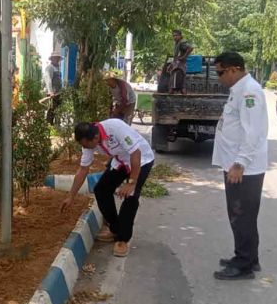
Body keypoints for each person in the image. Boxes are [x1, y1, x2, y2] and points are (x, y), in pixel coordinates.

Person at [212, 52, 269, 280]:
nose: (218, 78)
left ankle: (243, 264)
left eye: (220, 72)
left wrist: (240, 163)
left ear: (234, 69)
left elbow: (253, 131)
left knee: (240, 214)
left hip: (244, 168)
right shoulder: (239, 90)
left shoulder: (249, 91)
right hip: (237, 164)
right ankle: (249, 258)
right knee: (244, 215)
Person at [61, 120, 155, 257]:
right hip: (122, 160)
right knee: (101, 190)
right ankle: (115, 228)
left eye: (87, 145)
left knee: (130, 196)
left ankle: (123, 239)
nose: (86, 149)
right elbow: (83, 169)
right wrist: (71, 196)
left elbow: (136, 154)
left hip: (141, 160)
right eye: (83, 146)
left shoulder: (116, 127)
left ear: (96, 138)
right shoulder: (87, 144)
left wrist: (131, 183)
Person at [167, 30, 194, 95]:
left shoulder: (182, 42)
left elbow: (191, 48)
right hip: (177, 65)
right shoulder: (178, 43)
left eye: (176, 35)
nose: (174, 37)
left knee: (174, 86)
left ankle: (169, 100)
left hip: (179, 66)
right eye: (173, 36)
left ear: (180, 36)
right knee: (180, 85)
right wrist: (171, 65)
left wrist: (184, 57)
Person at [43, 51, 63, 124]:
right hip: (53, 94)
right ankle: (49, 125)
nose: (57, 60)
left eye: (58, 58)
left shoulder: (57, 68)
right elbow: (48, 80)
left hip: (58, 93)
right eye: (55, 58)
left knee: (57, 110)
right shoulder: (50, 68)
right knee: (51, 110)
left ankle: (57, 126)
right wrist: (50, 92)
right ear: (52, 59)